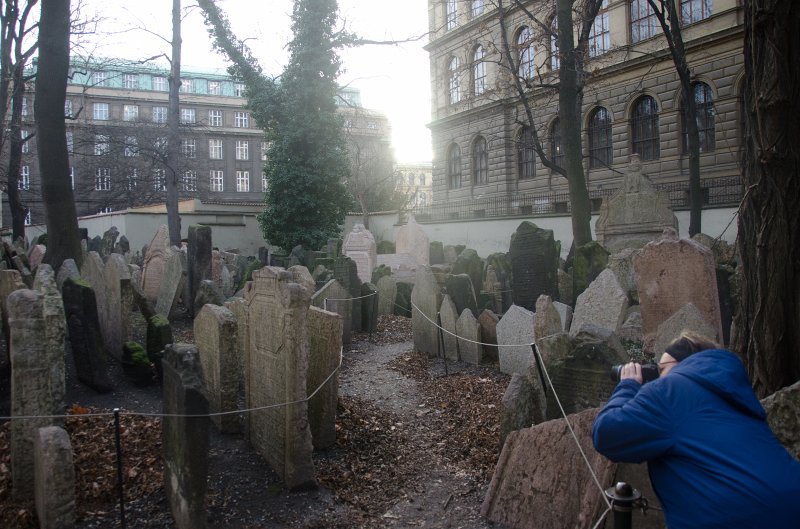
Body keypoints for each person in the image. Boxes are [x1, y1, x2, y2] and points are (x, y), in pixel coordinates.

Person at [592, 331, 800, 529]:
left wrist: (627, 385)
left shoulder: (673, 390)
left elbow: (606, 433)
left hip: (735, 516)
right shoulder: (733, 394)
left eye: (660, 369)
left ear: (680, 365)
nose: (657, 377)